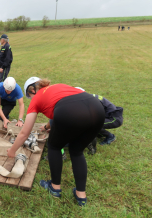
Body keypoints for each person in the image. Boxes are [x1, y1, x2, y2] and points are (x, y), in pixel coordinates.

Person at [7, 77, 105, 206]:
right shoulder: (57, 86)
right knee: (77, 151)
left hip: (70, 112)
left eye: (29, 96)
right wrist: (47, 127)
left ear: (32, 90)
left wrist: (12, 151)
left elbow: (25, 133)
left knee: (54, 146)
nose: (31, 99)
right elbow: (64, 103)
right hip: (97, 109)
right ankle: (81, 196)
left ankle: (55, 187)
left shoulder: (36, 98)